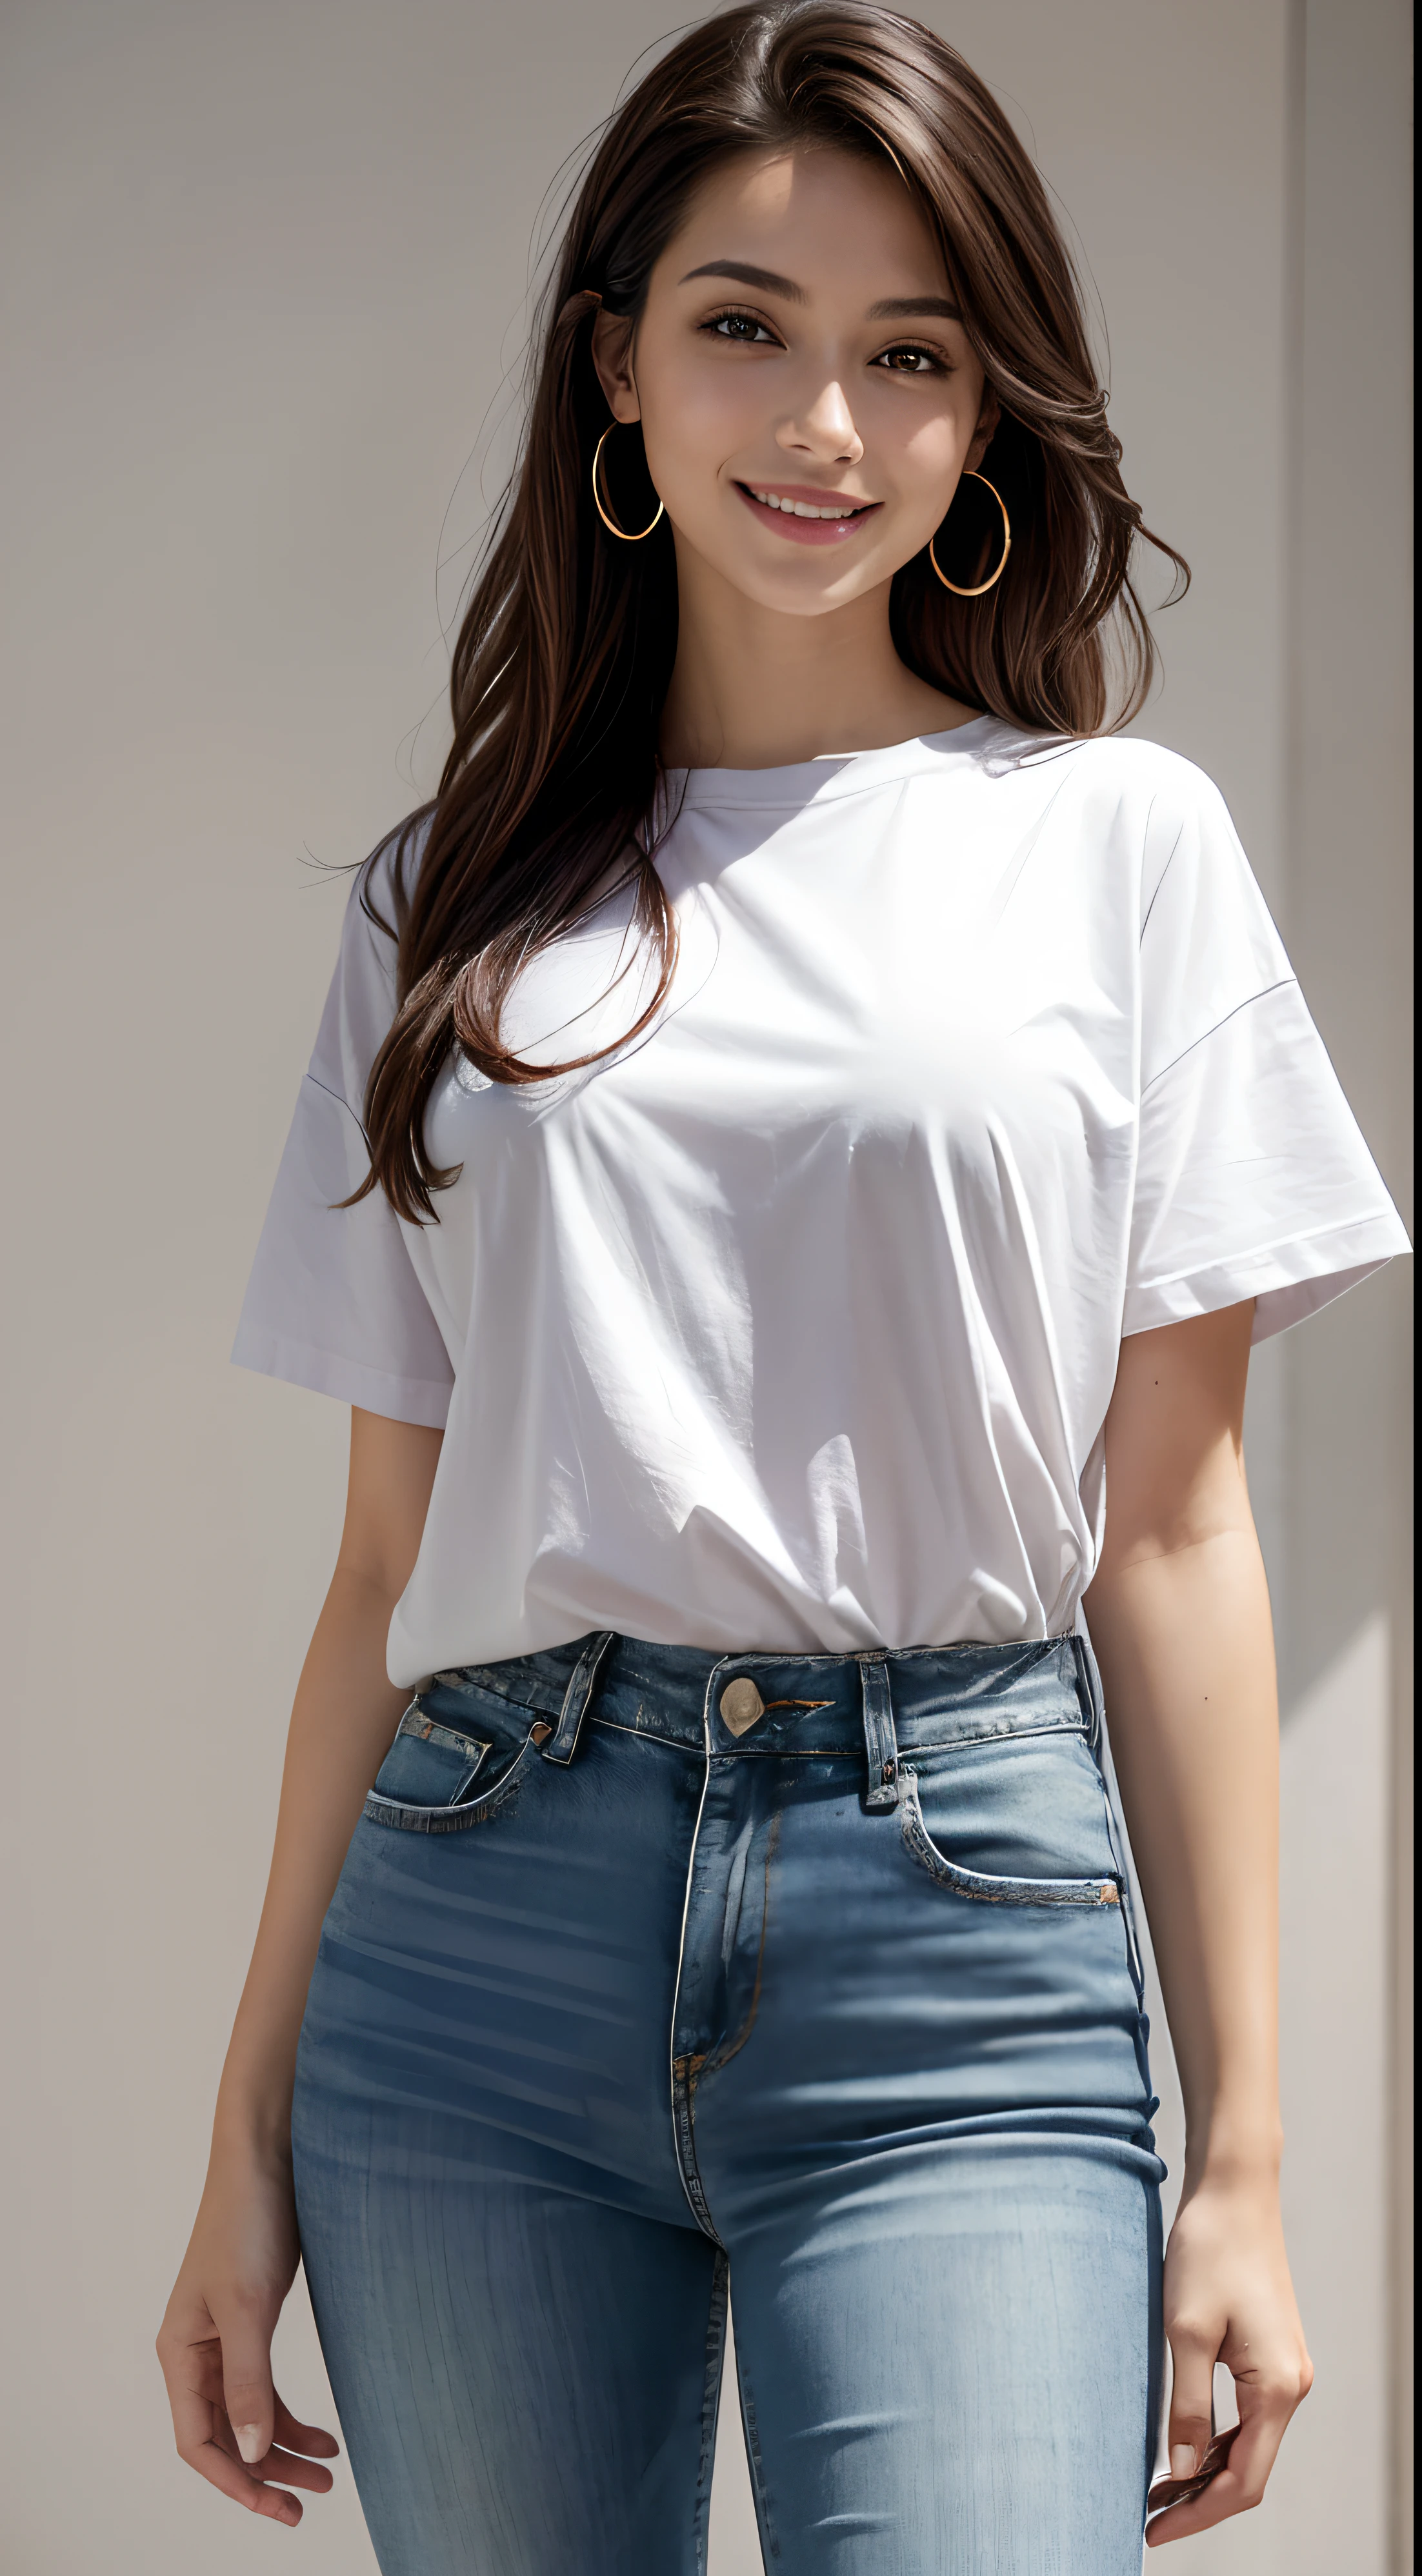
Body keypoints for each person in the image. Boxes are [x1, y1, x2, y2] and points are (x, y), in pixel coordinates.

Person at [155, 6, 1409, 2570]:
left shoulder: (1111, 847)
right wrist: (239, 2133)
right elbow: (382, 1576)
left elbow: (1165, 1535)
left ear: (981, 416)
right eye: (742, 324)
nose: (818, 422)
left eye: (905, 352)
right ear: (611, 367)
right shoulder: (451, 906)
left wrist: (1245, 2156)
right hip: (474, 1928)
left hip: (957, 1928)